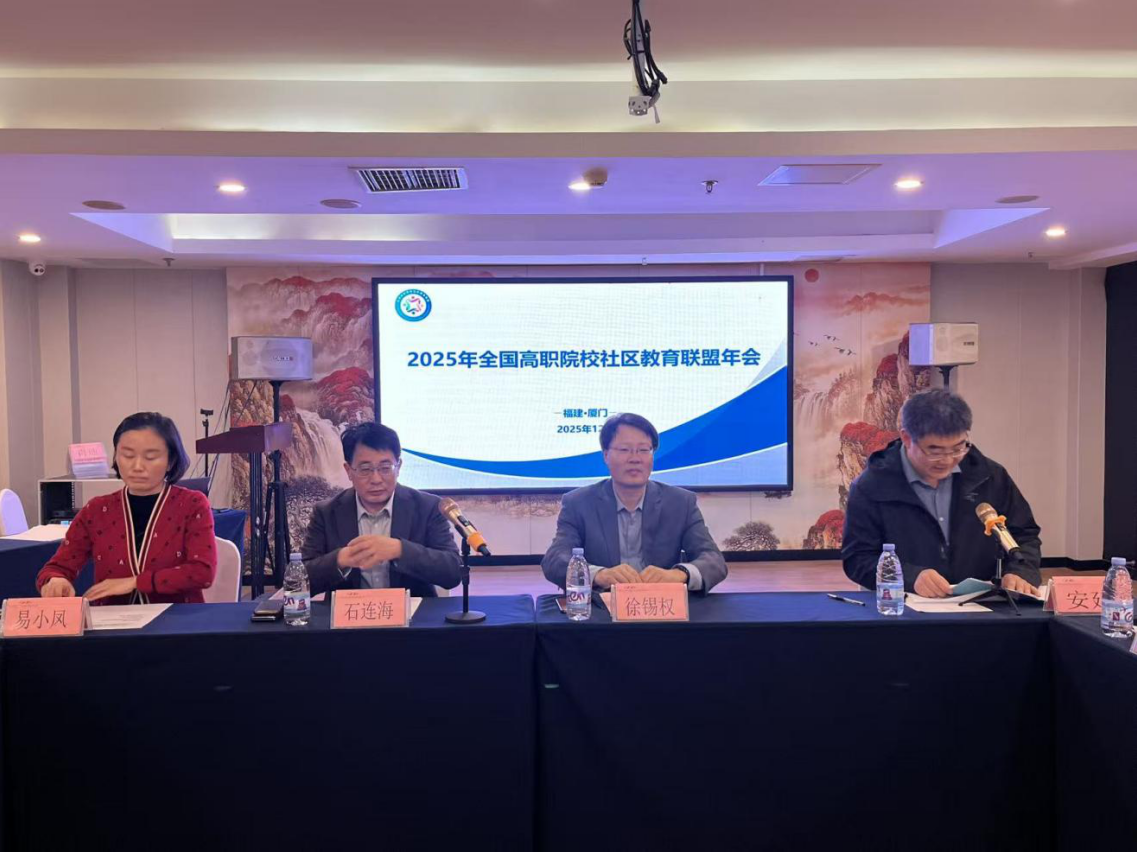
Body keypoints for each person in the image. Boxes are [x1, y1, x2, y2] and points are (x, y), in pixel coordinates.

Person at [842, 388, 1042, 597]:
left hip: (981, 603)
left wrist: (1020, 572)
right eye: (934, 451)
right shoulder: (872, 486)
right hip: (905, 605)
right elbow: (858, 558)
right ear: (907, 438)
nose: (947, 460)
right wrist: (909, 577)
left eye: (958, 448)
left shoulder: (989, 476)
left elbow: (1024, 534)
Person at [37, 412, 217, 604]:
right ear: (116, 457)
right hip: (110, 620)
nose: (137, 466)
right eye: (128, 455)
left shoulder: (191, 504)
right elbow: (57, 567)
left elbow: (202, 571)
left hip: (177, 617)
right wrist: (56, 579)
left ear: (170, 461)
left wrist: (136, 582)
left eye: (151, 457)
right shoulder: (97, 509)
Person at [542, 412, 728, 593]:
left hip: (661, 604)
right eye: (624, 450)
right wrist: (599, 575)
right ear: (605, 455)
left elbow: (713, 560)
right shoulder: (578, 503)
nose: (635, 459)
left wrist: (678, 575)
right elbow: (555, 560)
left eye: (644, 450)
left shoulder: (680, 503)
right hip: (602, 606)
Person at [301, 422, 461, 597]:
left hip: (412, 613)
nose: (376, 479)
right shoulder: (326, 513)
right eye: (365, 469)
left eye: (385, 468)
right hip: (350, 613)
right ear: (348, 471)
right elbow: (300, 581)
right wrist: (341, 559)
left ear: (398, 467)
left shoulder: (427, 507)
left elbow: (452, 572)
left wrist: (399, 550)